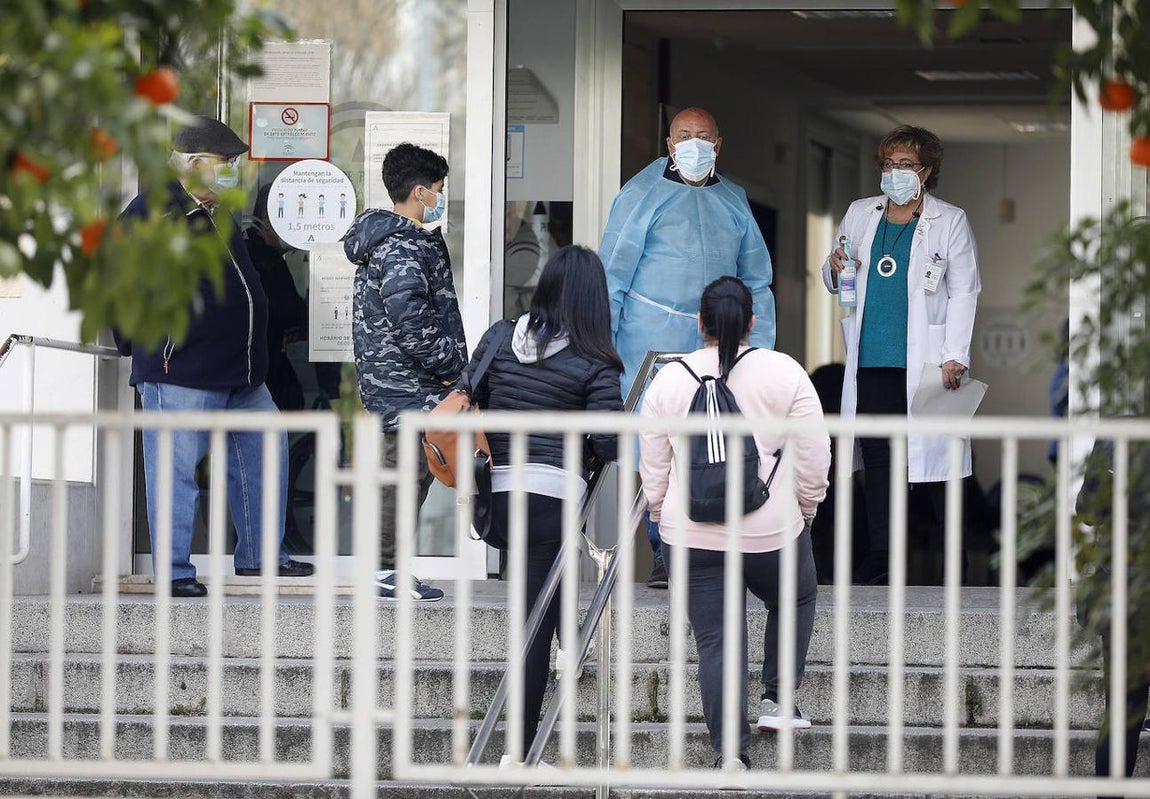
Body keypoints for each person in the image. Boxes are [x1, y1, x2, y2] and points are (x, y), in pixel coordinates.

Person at [113, 115, 314, 598]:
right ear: (196, 163)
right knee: (177, 473)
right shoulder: (154, 213)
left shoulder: (217, 212)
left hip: (242, 373)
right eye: (226, 163)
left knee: (264, 455)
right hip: (181, 368)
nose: (233, 171)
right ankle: (175, 572)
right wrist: (141, 349)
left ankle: (261, 557)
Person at [639, 276, 830, 770]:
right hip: (769, 530)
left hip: (691, 534)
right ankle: (777, 698)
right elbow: (814, 455)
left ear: (699, 322)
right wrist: (806, 510)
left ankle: (731, 758)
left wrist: (662, 523)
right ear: (751, 322)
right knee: (795, 595)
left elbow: (653, 469)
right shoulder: (783, 372)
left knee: (717, 640)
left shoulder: (669, 379)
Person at [599, 106, 777, 588]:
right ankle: (662, 549)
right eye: (684, 135)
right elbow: (612, 274)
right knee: (654, 448)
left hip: (718, 344)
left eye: (703, 136)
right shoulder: (641, 195)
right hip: (647, 343)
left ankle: (705, 551)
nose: (693, 143)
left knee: (709, 446)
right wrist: (603, 347)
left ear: (718, 145)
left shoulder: (735, 201)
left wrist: (756, 348)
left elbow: (757, 280)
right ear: (669, 142)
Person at [466, 245, 623, 764]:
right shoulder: (594, 357)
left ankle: (568, 647)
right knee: (531, 625)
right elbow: (609, 444)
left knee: (541, 591)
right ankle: (517, 751)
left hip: (501, 495)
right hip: (553, 500)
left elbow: (474, 397)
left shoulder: (500, 338)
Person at [821, 125, 981, 586]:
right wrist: (833, 268)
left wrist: (956, 354)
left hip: (931, 361)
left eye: (905, 165)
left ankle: (955, 562)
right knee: (879, 459)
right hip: (872, 358)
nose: (894, 173)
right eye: (889, 164)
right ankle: (882, 555)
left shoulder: (949, 220)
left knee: (940, 462)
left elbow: (965, 290)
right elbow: (838, 277)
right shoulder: (859, 213)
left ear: (927, 171)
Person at [343, 142, 467, 602]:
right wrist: (457, 370)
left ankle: (390, 568)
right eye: (438, 189)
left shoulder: (399, 242)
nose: (441, 196)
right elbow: (412, 323)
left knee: (407, 478)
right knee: (402, 479)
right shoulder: (400, 246)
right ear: (419, 191)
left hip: (401, 386)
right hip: (407, 388)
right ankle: (383, 571)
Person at [244, 183, 307, 412]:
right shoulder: (263, 257)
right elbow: (288, 311)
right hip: (263, 369)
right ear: (267, 219)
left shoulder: (250, 249)